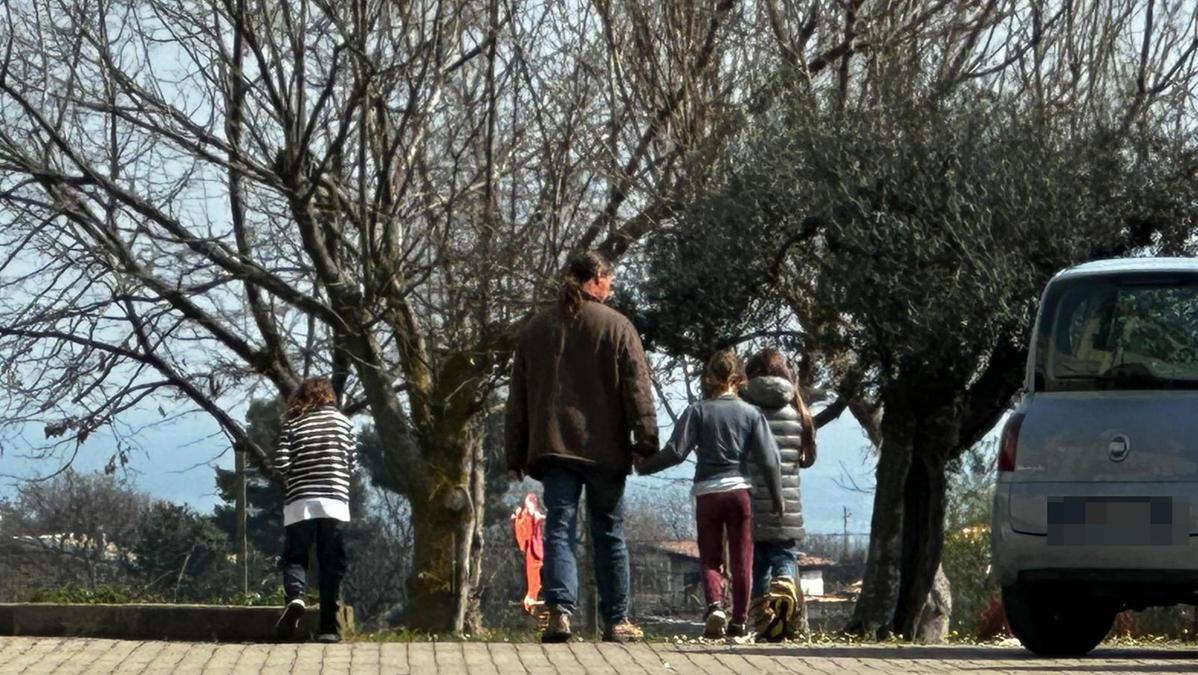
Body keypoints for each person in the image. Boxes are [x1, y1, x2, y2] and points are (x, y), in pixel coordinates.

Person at [504, 251, 659, 643]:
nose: (612, 286)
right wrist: (645, 440)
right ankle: (616, 619)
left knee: (559, 528)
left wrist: (515, 450)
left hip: (553, 445)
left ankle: (558, 611)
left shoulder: (537, 329)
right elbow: (636, 388)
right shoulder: (618, 327)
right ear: (597, 280)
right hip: (605, 448)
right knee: (608, 531)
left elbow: (518, 397)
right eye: (609, 279)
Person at [636, 350, 784, 640]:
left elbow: (676, 452)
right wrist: (777, 497)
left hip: (708, 493)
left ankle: (715, 606)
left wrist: (644, 467)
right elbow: (770, 459)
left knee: (710, 556)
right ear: (738, 379)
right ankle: (740, 621)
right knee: (743, 559)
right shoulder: (751, 413)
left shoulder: (697, 411)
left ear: (710, 378)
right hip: (740, 492)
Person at [273, 377, 358, 643]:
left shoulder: (294, 424)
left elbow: (282, 463)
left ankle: (296, 597)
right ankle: (328, 629)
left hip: (300, 503)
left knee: (296, 557)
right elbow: (352, 465)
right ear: (330, 396)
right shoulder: (345, 424)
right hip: (334, 504)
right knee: (330, 565)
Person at [741, 347, 817, 640]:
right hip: (787, 501)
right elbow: (808, 458)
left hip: (750, 498)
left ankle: (764, 621)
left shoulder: (744, 409)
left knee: (757, 561)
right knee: (784, 552)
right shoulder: (798, 410)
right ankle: (785, 581)